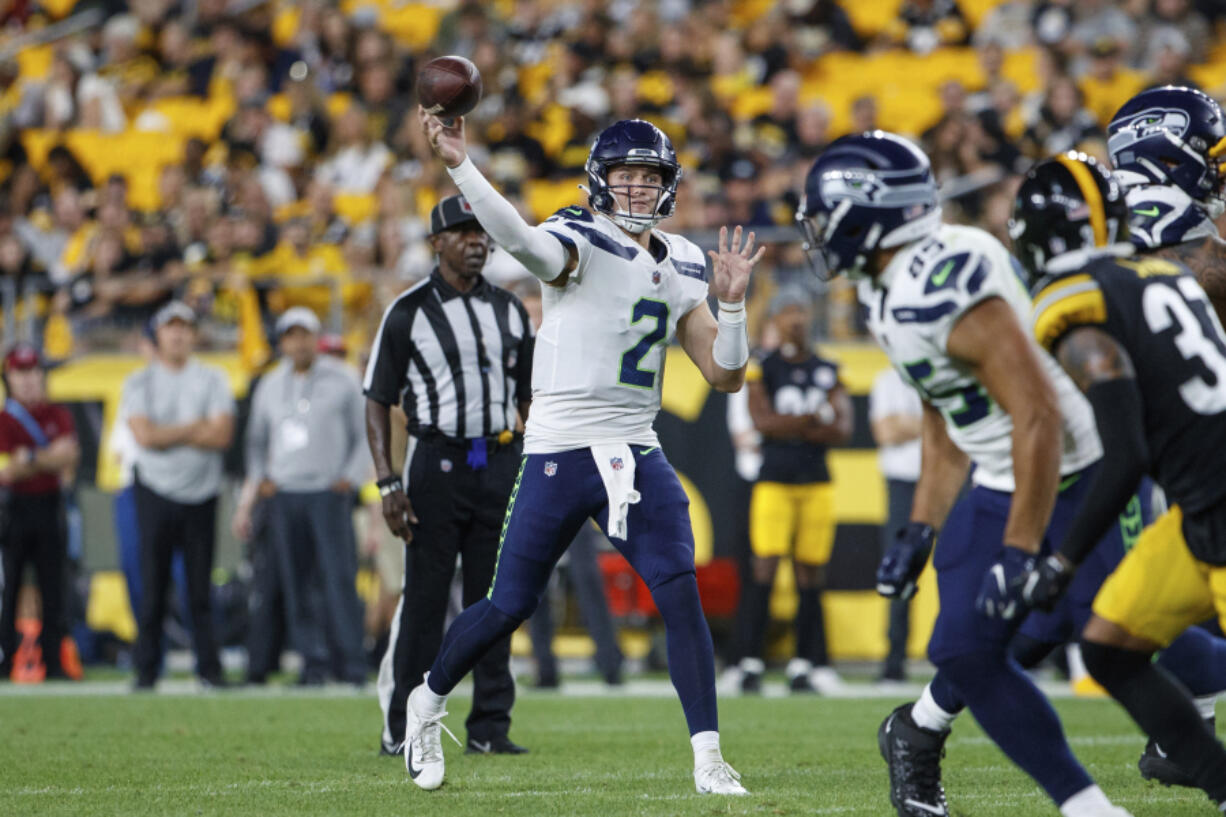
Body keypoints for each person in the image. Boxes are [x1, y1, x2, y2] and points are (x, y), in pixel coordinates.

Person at [403, 110, 763, 795]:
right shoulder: (576, 238)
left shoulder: (685, 259)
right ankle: (427, 699)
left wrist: (736, 307)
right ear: (600, 180)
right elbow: (518, 237)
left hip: (636, 442)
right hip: (561, 447)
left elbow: (725, 374)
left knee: (680, 596)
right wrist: (459, 164)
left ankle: (709, 757)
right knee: (509, 602)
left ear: (668, 184)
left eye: (647, 176)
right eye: (624, 175)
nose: (634, 188)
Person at [799, 132, 1132, 817]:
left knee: (1126, 643)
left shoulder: (943, 278)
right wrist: (920, 525)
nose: (816, 233)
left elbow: (1036, 416)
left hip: (1080, 471)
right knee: (964, 643)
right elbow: (947, 419)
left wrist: (1017, 549)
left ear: (868, 213)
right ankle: (1082, 804)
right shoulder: (888, 290)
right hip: (1003, 473)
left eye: (824, 215)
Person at [1010, 152, 1226, 809]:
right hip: (1199, 511)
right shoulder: (1161, 268)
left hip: (1218, 503)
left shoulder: (1070, 302)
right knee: (1108, 646)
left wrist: (1064, 559)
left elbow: (1126, 451)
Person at [365, 194, 535, 758]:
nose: (477, 241)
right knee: (425, 602)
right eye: (462, 233)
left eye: (481, 231)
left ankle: (490, 724)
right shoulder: (408, 310)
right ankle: (402, 723)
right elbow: (377, 399)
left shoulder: (510, 310)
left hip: (500, 461)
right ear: (436, 243)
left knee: (498, 601)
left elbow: (530, 396)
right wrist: (388, 483)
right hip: (435, 463)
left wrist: (536, 465)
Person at [233, 306, 370, 685]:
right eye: (291, 336)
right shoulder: (270, 384)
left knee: (339, 579)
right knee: (297, 584)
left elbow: (364, 434)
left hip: (329, 492)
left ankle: (352, 664)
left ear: (316, 338)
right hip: (286, 493)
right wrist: (262, 478)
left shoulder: (342, 379)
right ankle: (313, 662)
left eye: (305, 334)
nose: (299, 342)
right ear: (282, 342)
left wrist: (350, 477)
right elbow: (256, 441)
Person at [735, 291, 851, 694]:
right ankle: (748, 661)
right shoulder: (763, 367)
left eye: (801, 310)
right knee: (763, 568)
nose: (796, 319)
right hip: (775, 481)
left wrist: (792, 425)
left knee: (810, 574)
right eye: (787, 312)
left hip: (816, 481)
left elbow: (843, 429)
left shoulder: (828, 367)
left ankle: (807, 662)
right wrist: (812, 418)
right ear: (777, 320)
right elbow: (763, 421)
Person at [123, 301, 235, 689]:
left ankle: (210, 670)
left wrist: (168, 432)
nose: (178, 333)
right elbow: (145, 436)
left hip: (201, 492)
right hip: (154, 489)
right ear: (158, 334)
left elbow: (221, 435)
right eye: (171, 327)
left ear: (193, 334)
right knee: (153, 586)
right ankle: (147, 670)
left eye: (184, 327)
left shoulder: (213, 378)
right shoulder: (139, 381)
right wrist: (195, 428)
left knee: (200, 588)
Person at [1106, 86, 1226, 326]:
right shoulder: (1158, 212)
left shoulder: (1111, 207)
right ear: (1169, 156)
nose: (1219, 171)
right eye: (1211, 157)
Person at [0, 344, 80, 680]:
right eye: (21, 372)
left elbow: (70, 456)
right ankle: (5, 661)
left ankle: (55, 662)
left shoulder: (57, 413)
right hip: (12, 508)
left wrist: (29, 458)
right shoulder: (5, 419)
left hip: (49, 506)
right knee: (9, 587)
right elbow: (6, 472)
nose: (29, 379)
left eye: (34, 371)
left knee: (54, 588)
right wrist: (47, 457)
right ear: (9, 378)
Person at [869, 365, 923, 683]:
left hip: (944, 481)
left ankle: (965, 655)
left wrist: (907, 424)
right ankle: (894, 661)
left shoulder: (943, 371)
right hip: (902, 483)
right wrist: (931, 425)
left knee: (957, 567)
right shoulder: (887, 379)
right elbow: (885, 433)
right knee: (900, 569)